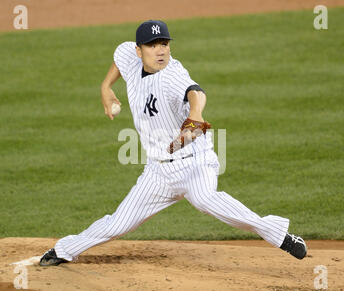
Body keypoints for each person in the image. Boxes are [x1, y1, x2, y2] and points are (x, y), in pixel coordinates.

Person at [39, 20, 307, 266]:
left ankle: (279, 235)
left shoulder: (172, 74)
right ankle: (65, 249)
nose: (160, 51)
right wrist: (105, 87)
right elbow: (119, 59)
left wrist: (195, 115)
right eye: (152, 45)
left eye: (164, 44)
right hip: (158, 172)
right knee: (117, 224)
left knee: (204, 199)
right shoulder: (129, 57)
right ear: (139, 50)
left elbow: (196, 92)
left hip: (195, 162)